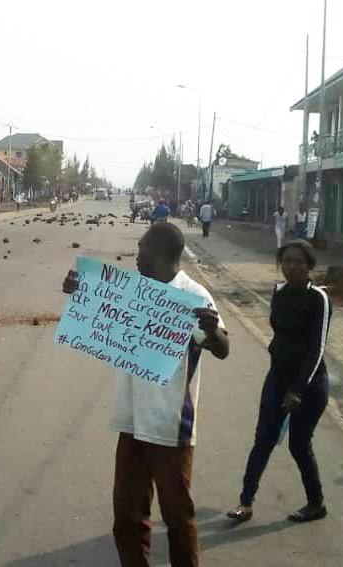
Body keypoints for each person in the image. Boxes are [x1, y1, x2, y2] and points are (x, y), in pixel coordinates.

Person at [62, 223, 229, 567]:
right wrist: (79, 291)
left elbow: (223, 348)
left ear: (164, 256)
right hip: (132, 420)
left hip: (170, 427)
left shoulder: (193, 296)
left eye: (142, 251)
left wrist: (212, 331)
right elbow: (100, 311)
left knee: (177, 516)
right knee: (127, 515)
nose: (136, 257)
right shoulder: (134, 289)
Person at [227, 240, 332, 525]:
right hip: (276, 379)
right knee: (263, 440)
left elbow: (317, 348)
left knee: (299, 444)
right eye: (286, 261)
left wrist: (298, 389)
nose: (291, 266)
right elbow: (280, 335)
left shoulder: (318, 298)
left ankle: (316, 503)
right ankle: (245, 503)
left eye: (298, 262)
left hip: (308, 386)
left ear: (309, 265)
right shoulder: (279, 292)